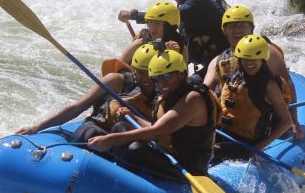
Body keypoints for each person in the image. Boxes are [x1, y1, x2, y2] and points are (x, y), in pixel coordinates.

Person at [88, 49, 220, 179]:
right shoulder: (169, 94)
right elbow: (155, 126)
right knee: (120, 127)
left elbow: (157, 131)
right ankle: (120, 171)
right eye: (156, 78)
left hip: (188, 168)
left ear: (182, 74)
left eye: (166, 76)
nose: (161, 83)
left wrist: (109, 139)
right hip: (167, 153)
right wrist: (133, 118)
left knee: (136, 150)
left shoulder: (193, 99)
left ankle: (121, 181)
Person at [16, 43, 161, 144]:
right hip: (98, 130)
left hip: (128, 137)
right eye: (138, 72)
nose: (143, 78)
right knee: (89, 134)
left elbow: (162, 129)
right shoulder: (116, 81)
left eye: (148, 73)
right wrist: (37, 127)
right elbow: (77, 107)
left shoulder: (164, 91)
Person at [204, 5, 301, 138]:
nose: (238, 30)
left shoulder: (268, 52)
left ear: (251, 29)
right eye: (232, 26)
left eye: (243, 25)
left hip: (264, 119)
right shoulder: (218, 61)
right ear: (224, 30)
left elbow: (288, 83)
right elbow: (205, 91)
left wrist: (293, 120)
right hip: (231, 122)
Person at [118, 0, 228, 71]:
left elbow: (165, 16)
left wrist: (133, 15)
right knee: (147, 35)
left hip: (224, 59)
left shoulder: (200, 1)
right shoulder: (185, 8)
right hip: (209, 61)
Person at [212, 35, 292, 163]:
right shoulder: (233, 76)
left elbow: (286, 121)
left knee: (212, 150)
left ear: (263, 59)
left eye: (255, 59)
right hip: (224, 133)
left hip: (248, 143)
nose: (250, 63)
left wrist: (261, 145)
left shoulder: (269, 86)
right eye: (245, 59)